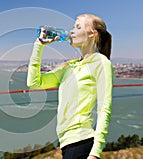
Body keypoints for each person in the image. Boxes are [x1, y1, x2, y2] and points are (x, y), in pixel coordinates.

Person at [27, 14, 113, 159]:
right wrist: (39, 45)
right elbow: (34, 82)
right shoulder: (69, 67)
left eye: (78, 27)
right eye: (73, 27)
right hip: (66, 145)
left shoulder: (101, 63)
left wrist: (95, 153)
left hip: (82, 143)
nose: (72, 31)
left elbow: (104, 108)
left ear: (92, 33)